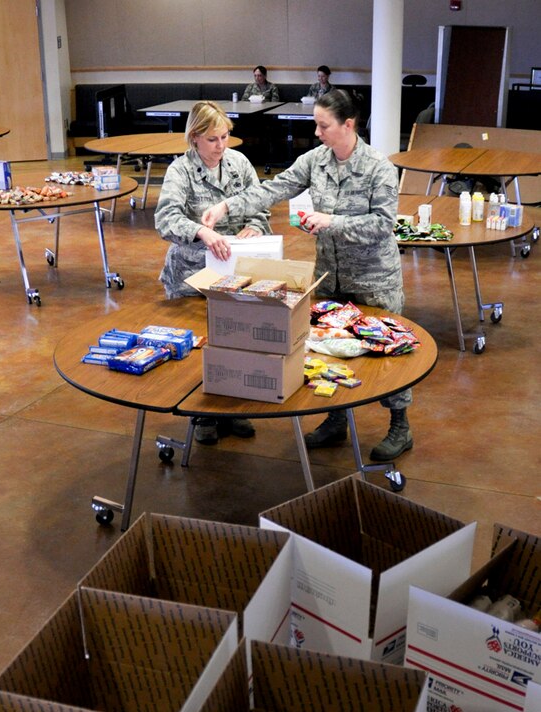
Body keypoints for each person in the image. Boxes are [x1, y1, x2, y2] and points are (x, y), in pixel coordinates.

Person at [201, 89, 413, 462]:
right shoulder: (316, 161)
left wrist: (332, 221)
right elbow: (272, 189)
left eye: (323, 125)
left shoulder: (379, 167)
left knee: (387, 354)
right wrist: (226, 205)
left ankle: (400, 424)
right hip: (330, 279)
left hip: (374, 280)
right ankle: (335, 420)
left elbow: (382, 225)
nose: (317, 132)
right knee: (330, 351)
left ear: (348, 125)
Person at [154, 100, 270, 445]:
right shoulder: (180, 171)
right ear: (193, 138)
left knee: (237, 341)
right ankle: (202, 413)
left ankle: (233, 407)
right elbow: (165, 219)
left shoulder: (239, 163)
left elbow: (259, 203)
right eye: (212, 140)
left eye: (224, 137)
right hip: (192, 277)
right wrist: (201, 232)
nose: (221, 146)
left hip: (236, 274)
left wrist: (255, 226)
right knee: (201, 348)